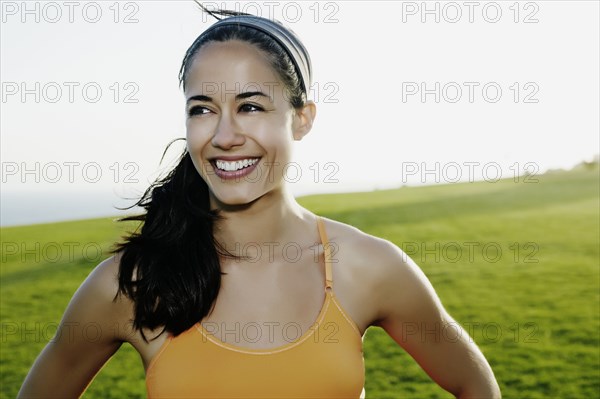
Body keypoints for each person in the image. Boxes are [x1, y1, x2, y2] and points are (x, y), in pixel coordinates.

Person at [17, 5, 501, 398]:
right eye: (203, 109)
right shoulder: (133, 282)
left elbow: (473, 385)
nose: (225, 136)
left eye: (251, 106)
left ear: (302, 119)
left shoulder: (368, 266)